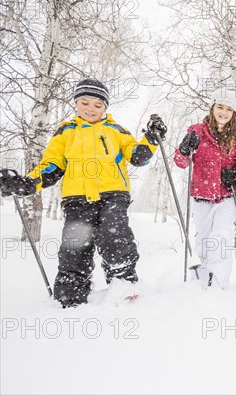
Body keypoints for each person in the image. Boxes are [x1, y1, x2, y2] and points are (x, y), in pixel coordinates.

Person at [0, 79, 167, 308]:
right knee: (74, 248)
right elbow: (52, 166)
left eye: (98, 105)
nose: (91, 109)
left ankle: (124, 284)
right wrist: (28, 183)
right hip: (77, 200)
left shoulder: (116, 130)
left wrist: (150, 139)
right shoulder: (66, 132)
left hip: (113, 195)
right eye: (85, 102)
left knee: (115, 237)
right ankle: (71, 297)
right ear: (76, 103)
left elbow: (137, 157)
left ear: (105, 107)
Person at [173, 89, 236, 289]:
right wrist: (184, 149)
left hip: (227, 196)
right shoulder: (196, 131)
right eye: (220, 107)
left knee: (221, 236)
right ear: (212, 107)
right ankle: (205, 273)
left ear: (234, 114)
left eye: (229, 109)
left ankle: (219, 281)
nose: (223, 112)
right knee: (204, 240)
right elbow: (180, 162)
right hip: (202, 195)